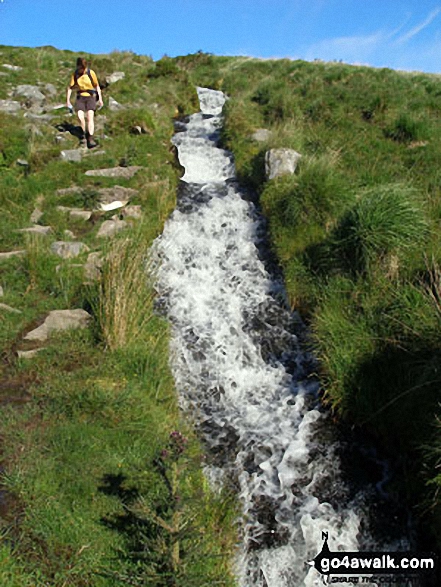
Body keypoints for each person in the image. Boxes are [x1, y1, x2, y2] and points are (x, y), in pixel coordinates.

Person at [66, 57, 103, 149]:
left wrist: (100, 99)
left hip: (90, 97)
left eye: (83, 68)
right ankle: (83, 134)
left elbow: (97, 86)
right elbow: (70, 87)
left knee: (90, 117)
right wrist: (68, 100)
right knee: (80, 116)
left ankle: (90, 138)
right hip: (80, 97)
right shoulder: (75, 74)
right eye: (80, 68)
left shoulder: (90, 73)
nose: (82, 70)